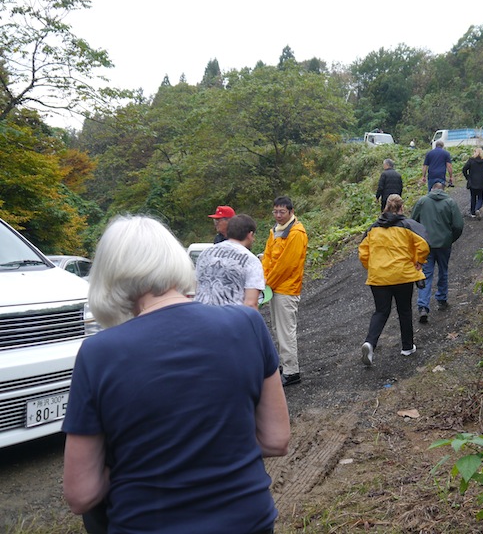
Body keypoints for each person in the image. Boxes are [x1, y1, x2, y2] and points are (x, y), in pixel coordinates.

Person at [62, 215, 290, 534]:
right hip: (247, 522)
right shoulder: (247, 325)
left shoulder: (98, 353)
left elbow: (81, 495)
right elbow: (277, 439)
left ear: (108, 277)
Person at [359, 194, 429, 365]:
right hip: (402, 275)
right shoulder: (407, 226)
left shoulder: (373, 229)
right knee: (404, 310)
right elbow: (424, 244)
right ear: (401, 208)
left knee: (381, 311)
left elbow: (363, 252)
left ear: (385, 208)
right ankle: (407, 347)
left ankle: (370, 343)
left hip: (378, 277)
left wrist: (372, 267)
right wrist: (420, 260)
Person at [262, 196, 308, 387]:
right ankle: (284, 365)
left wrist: (267, 284)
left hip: (286, 288)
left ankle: (291, 371)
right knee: (277, 329)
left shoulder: (296, 233)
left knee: (286, 331)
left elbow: (286, 265)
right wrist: (264, 281)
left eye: (282, 212)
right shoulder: (275, 231)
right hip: (274, 287)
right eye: (275, 211)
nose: (278, 215)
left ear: (291, 211)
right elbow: (267, 257)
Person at [411, 180, 464, 322]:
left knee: (426, 274)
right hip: (444, 244)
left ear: (431, 189)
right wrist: (450, 238)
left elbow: (412, 222)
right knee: (443, 271)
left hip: (426, 245)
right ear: (443, 190)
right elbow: (458, 225)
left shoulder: (422, 201)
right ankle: (441, 299)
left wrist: (418, 240)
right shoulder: (450, 202)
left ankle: (423, 306)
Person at [195, 214, 264, 310]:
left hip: (200, 315)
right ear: (250, 235)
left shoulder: (204, 254)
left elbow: (197, 288)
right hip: (230, 319)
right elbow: (251, 304)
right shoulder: (251, 261)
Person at [461, 147, 483, 218]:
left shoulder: (471, 160)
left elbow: (464, 169)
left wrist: (467, 177)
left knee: (473, 197)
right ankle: (478, 209)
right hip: (482, 181)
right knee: (480, 197)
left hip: (472, 181)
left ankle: (473, 213)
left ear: (475, 152)